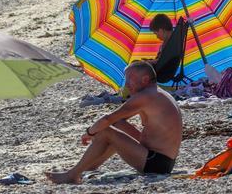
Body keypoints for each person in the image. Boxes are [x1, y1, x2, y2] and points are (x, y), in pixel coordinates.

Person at [46, 61, 182, 184]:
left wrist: (89, 132)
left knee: (105, 130)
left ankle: (73, 174)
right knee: (116, 126)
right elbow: (117, 120)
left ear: (145, 79)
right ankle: (86, 168)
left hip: (155, 163)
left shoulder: (145, 97)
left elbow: (107, 118)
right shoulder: (158, 93)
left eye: (130, 79)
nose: (127, 84)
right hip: (162, 160)